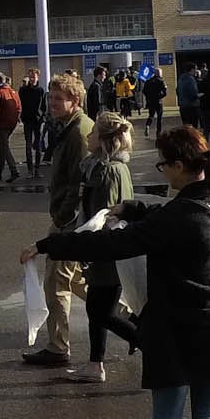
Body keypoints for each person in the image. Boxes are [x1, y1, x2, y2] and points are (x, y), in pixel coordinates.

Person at [28, 126, 210, 419]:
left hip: (173, 333)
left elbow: (109, 247)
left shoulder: (178, 217)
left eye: (164, 165)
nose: (163, 173)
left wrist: (48, 245)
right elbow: (164, 213)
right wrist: (133, 209)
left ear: (180, 166)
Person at [24, 72, 95, 367]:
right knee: (76, 278)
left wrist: (63, 219)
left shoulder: (79, 133)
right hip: (69, 218)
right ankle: (129, 317)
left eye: (58, 99)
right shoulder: (71, 126)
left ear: (74, 101)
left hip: (70, 220)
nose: (51, 103)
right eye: (50, 97)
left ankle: (58, 347)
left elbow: (78, 183)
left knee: (56, 283)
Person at [65, 112, 138, 383]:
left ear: (104, 140)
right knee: (98, 309)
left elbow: (101, 216)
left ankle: (143, 338)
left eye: (94, 132)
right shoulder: (116, 167)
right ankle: (95, 364)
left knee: (100, 311)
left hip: (106, 252)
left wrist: (87, 248)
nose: (88, 135)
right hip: (114, 250)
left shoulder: (105, 170)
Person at [0, 74, 22, 182]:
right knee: (3, 147)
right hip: (11, 124)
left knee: (4, 147)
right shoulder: (13, 92)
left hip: (2, 124)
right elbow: (19, 108)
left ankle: (14, 170)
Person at [141, 64, 167, 135]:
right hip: (158, 102)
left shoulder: (148, 81)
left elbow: (144, 91)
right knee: (159, 117)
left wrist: (148, 97)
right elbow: (165, 93)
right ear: (160, 74)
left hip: (150, 101)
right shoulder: (161, 81)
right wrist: (159, 97)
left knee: (151, 115)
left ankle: (147, 125)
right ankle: (158, 132)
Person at [175, 65, 200, 129]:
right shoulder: (191, 79)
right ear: (192, 69)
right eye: (195, 69)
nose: (196, 71)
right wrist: (199, 96)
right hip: (192, 106)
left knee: (186, 127)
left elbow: (177, 90)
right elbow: (193, 94)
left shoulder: (180, 78)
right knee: (193, 128)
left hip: (183, 106)